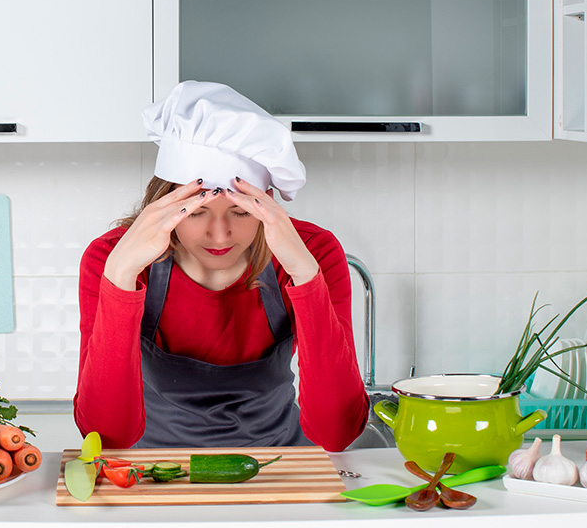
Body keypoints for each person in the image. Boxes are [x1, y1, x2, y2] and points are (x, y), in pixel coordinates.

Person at [74, 81, 369, 451]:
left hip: (282, 471)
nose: (219, 235)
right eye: (196, 211)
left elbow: (337, 434)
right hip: (151, 478)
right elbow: (107, 436)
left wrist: (307, 277)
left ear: (265, 204)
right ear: (164, 203)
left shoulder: (311, 252)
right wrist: (119, 280)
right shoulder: (113, 258)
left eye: (240, 211)